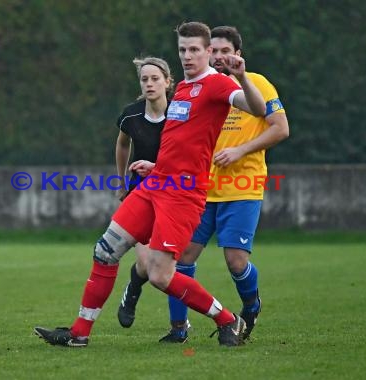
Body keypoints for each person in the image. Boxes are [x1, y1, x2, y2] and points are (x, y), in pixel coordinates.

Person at [34, 21, 266, 348]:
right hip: (155, 183)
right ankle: (79, 333)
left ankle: (228, 319)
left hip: (183, 195)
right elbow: (182, 143)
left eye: (194, 50)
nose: (187, 56)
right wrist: (157, 166)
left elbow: (259, 110)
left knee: (159, 276)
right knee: (105, 251)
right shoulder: (183, 88)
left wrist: (241, 76)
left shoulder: (219, 85)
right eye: (182, 49)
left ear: (209, 52)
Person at [117, 25, 289, 344]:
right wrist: (161, 168)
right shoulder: (195, 87)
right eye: (216, 51)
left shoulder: (255, 85)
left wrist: (240, 149)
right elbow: (187, 143)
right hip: (198, 189)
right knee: (181, 259)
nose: (221, 56)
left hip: (242, 186)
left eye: (226, 51)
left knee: (236, 262)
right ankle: (179, 327)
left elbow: (280, 128)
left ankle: (250, 306)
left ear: (237, 53)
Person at [115, 56, 173, 311]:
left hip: (174, 192)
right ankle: (134, 288)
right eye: (144, 79)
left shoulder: (180, 115)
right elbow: (122, 143)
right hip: (140, 190)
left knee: (168, 265)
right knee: (147, 262)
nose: (149, 84)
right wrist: (121, 181)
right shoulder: (131, 115)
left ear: (167, 82)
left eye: (155, 79)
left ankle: (179, 322)